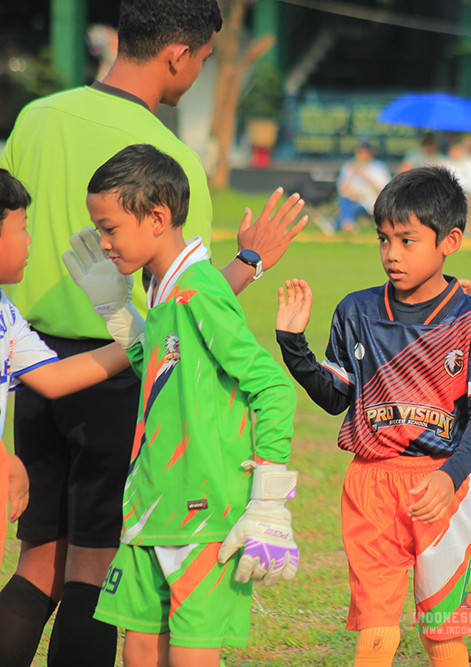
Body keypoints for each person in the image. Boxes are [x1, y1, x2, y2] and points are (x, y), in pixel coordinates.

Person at [0, 2, 307, 664]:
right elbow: (188, 306)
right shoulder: (169, 157)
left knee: (39, 561)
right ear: (178, 53)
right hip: (125, 382)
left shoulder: (34, 119)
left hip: (32, 370)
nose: (198, 72)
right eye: (200, 60)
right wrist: (249, 262)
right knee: (91, 566)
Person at [66, 144, 298, 667]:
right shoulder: (168, 294)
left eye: (110, 228)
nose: (102, 244)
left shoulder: (200, 291)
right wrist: (119, 312)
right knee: (140, 652)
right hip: (151, 510)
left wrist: (267, 502)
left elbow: (272, 387)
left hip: (204, 516)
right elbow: (165, 362)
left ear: (157, 218)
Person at [274, 166, 471, 667]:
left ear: (450, 240)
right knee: (377, 626)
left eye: (407, 240)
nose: (391, 254)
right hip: (370, 486)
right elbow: (337, 396)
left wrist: (450, 478)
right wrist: (294, 348)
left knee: (444, 628)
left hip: (442, 486)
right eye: (384, 239)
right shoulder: (356, 310)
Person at [0, 169, 136, 569]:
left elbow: (54, 378)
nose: (29, 240)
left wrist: (136, 332)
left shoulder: (5, 311)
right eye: (21, 228)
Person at [334, 140, 391, 232]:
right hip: (352, 198)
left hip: (370, 201)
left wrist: (365, 177)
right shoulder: (349, 165)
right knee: (345, 199)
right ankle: (347, 222)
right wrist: (352, 175)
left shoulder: (378, 167)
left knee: (358, 205)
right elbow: (342, 189)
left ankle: (338, 223)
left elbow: (384, 191)